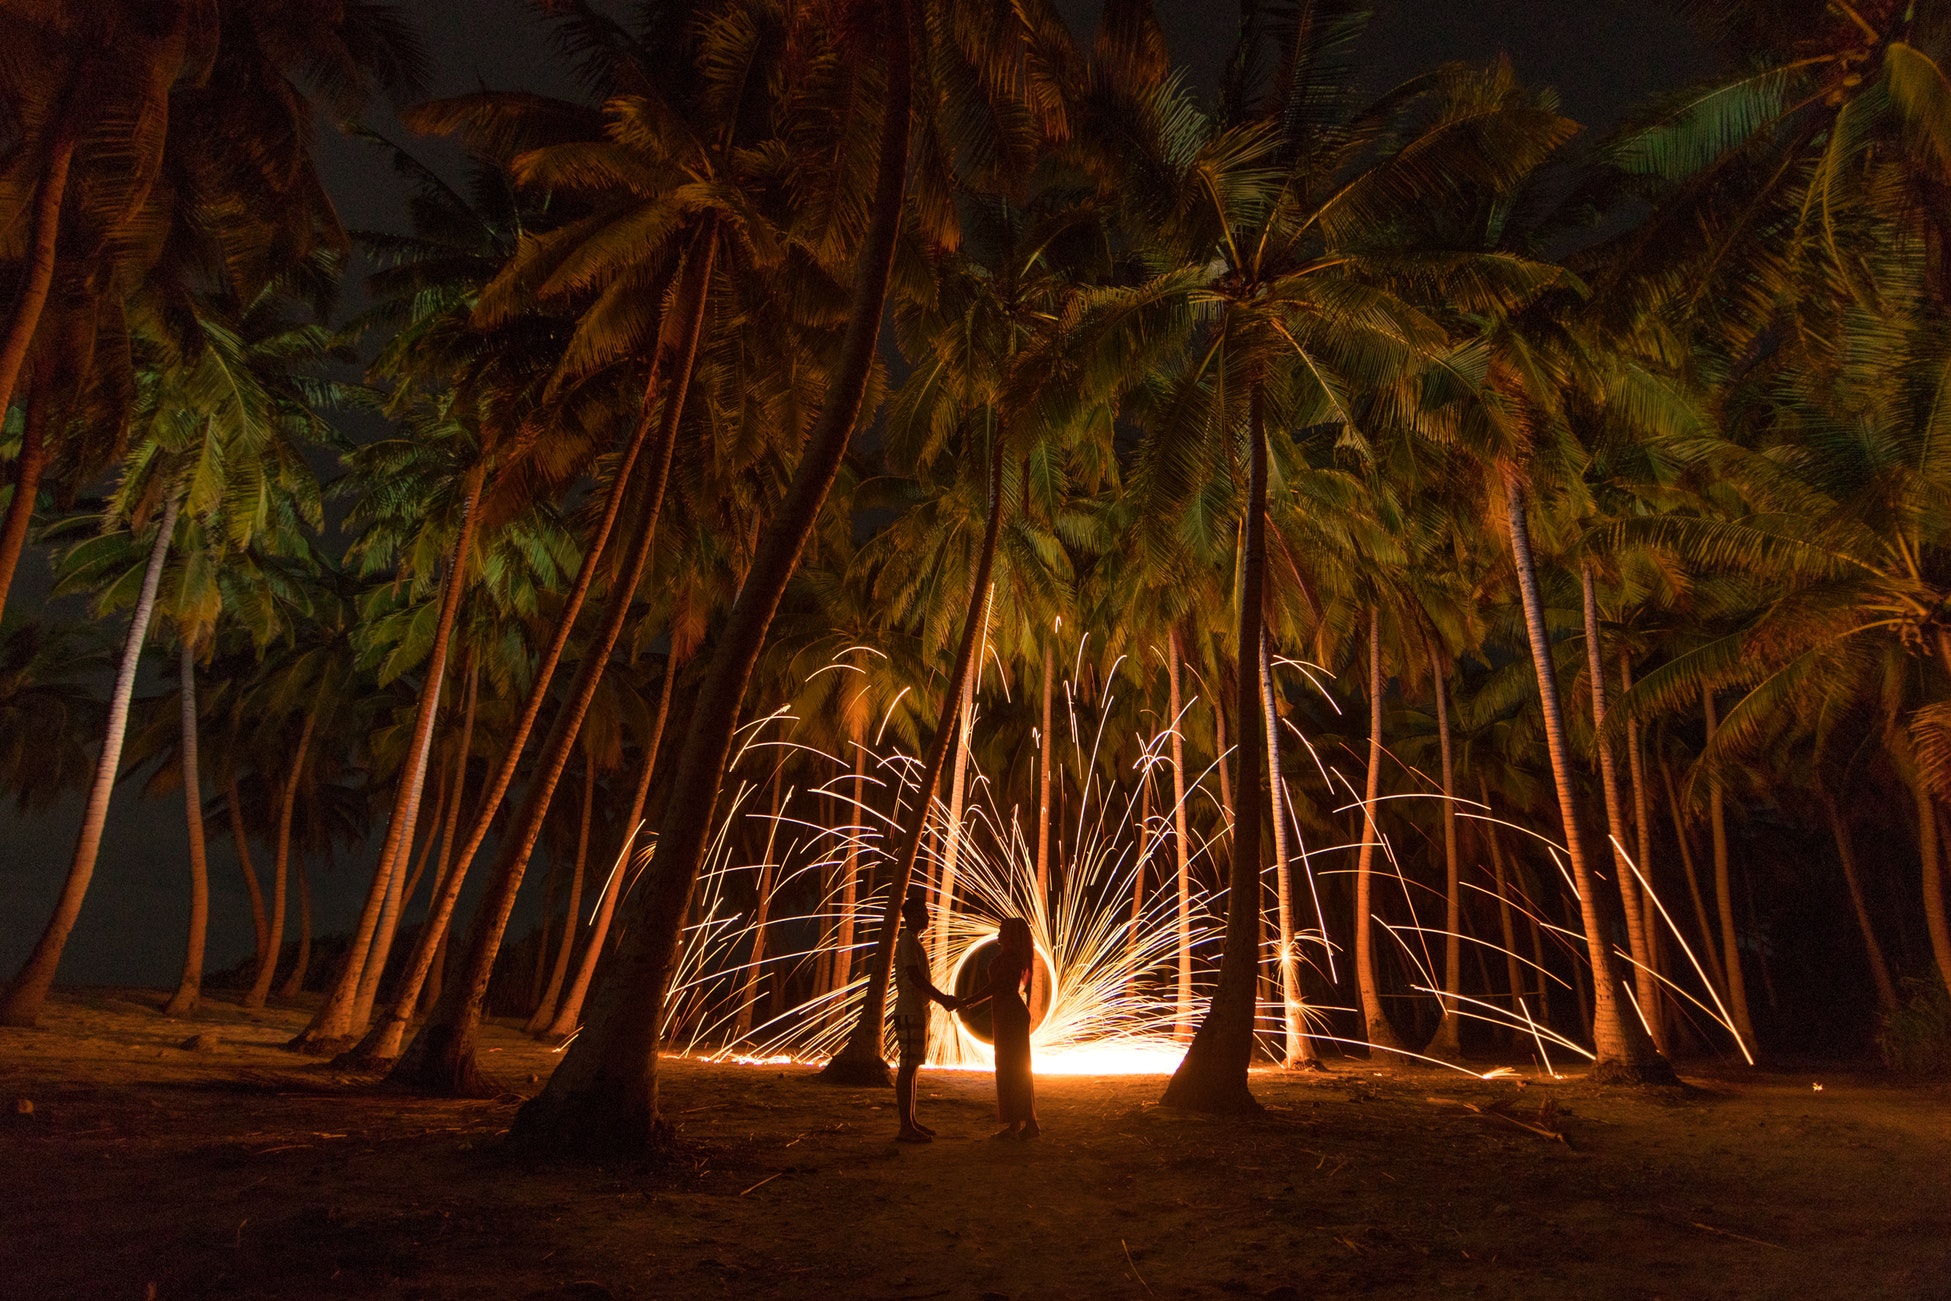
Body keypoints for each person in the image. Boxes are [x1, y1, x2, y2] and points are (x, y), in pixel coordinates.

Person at [893, 893, 958, 1143]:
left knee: (913, 1068)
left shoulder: (913, 941)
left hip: (917, 1010)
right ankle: (905, 1127)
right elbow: (915, 977)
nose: (928, 917)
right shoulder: (908, 940)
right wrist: (943, 999)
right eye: (923, 913)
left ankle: (911, 1120)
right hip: (910, 1009)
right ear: (911, 916)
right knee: (907, 1068)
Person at [987, 916, 1039, 1139]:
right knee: (1010, 1067)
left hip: (1010, 1015)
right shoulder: (1011, 956)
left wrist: (966, 1002)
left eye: (1002, 928)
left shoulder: (1011, 957)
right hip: (1006, 1013)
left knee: (1015, 1067)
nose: (998, 932)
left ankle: (1029, 1123)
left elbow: (998, 986)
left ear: (1011, 934)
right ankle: (1017, 1123)